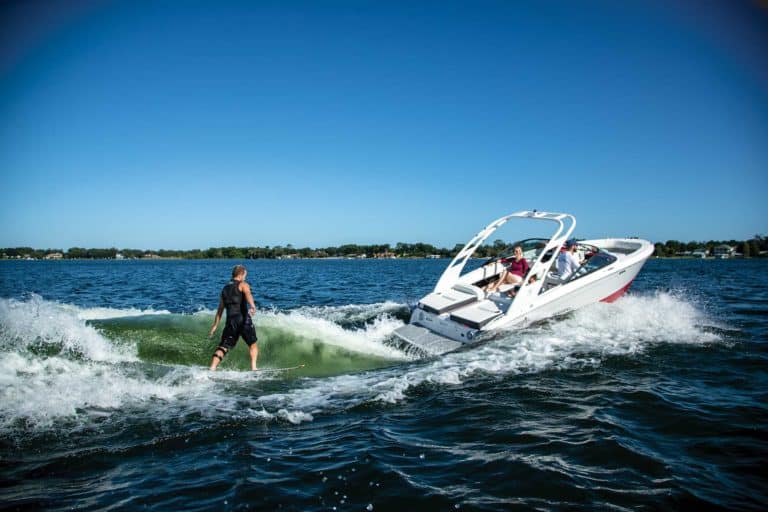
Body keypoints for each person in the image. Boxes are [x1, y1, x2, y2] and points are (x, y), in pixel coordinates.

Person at [208, 264, 258, 371]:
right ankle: (254, 368)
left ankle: (212, 368)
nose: (245, 277)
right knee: (252, 344)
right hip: (243, 319)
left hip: (230, 321)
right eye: (245, 275)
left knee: (223, 347)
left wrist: (215, 325)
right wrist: (252, 305)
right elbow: (248, 294)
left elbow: (220, 309)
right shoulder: (243, 284)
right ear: (241, 274)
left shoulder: (224, 289)